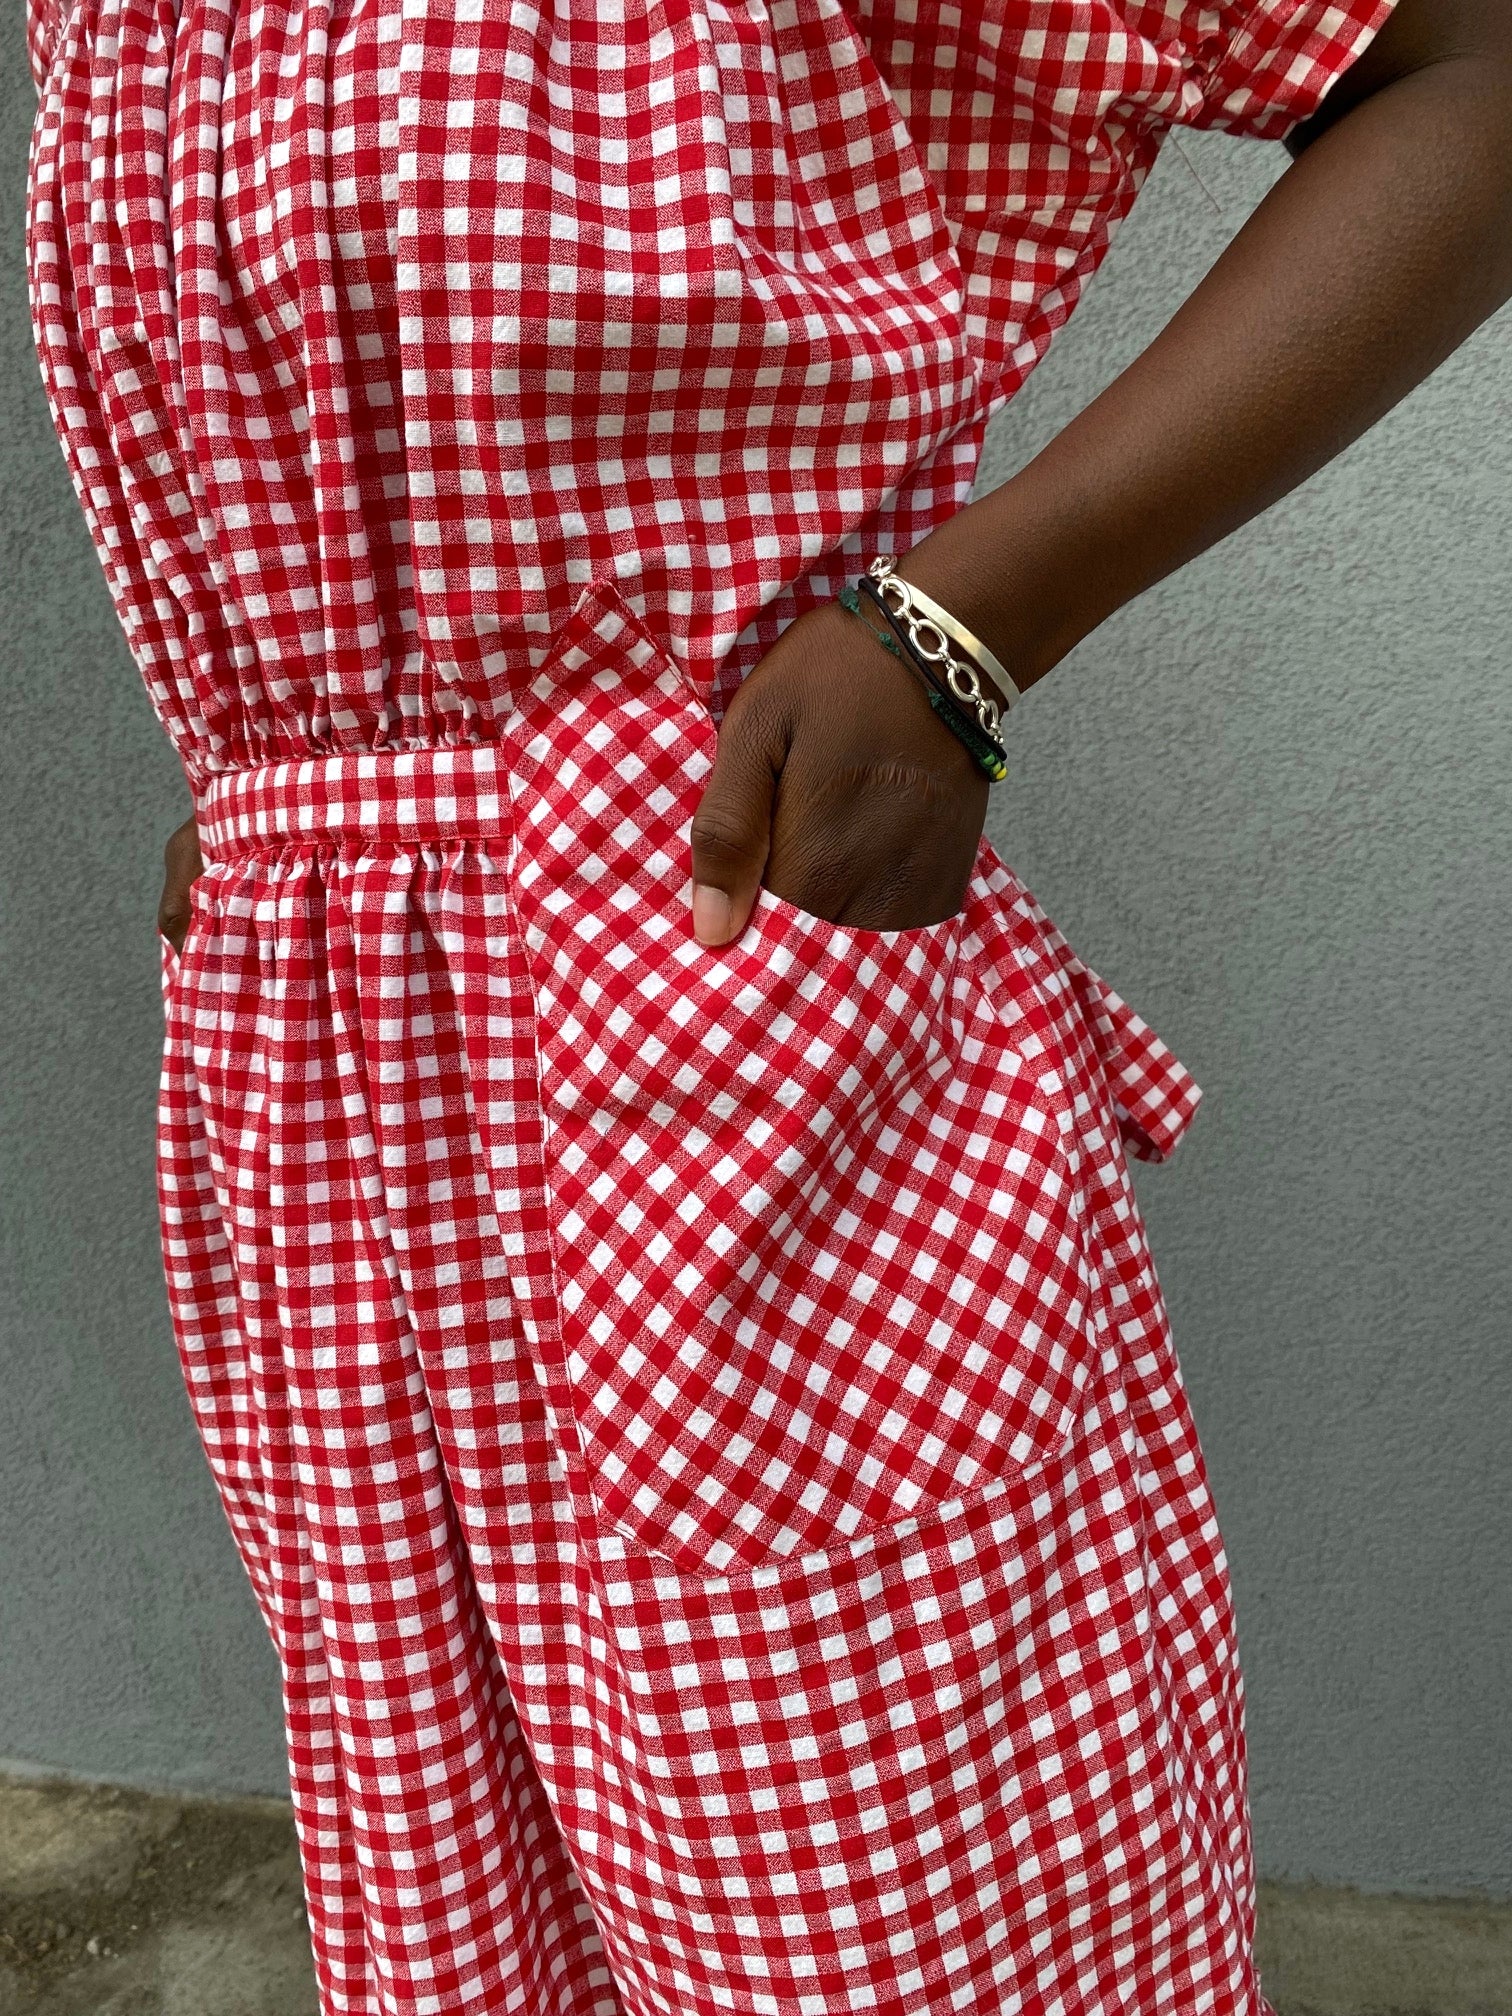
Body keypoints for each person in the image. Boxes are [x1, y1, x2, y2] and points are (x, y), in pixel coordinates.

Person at [24, 0, 1510, 2008]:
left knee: (900, 1927)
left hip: (723, 997)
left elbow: (1469, 70)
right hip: (319, 1092)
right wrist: (280, 776)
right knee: (465, 1913)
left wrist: (970, 619)